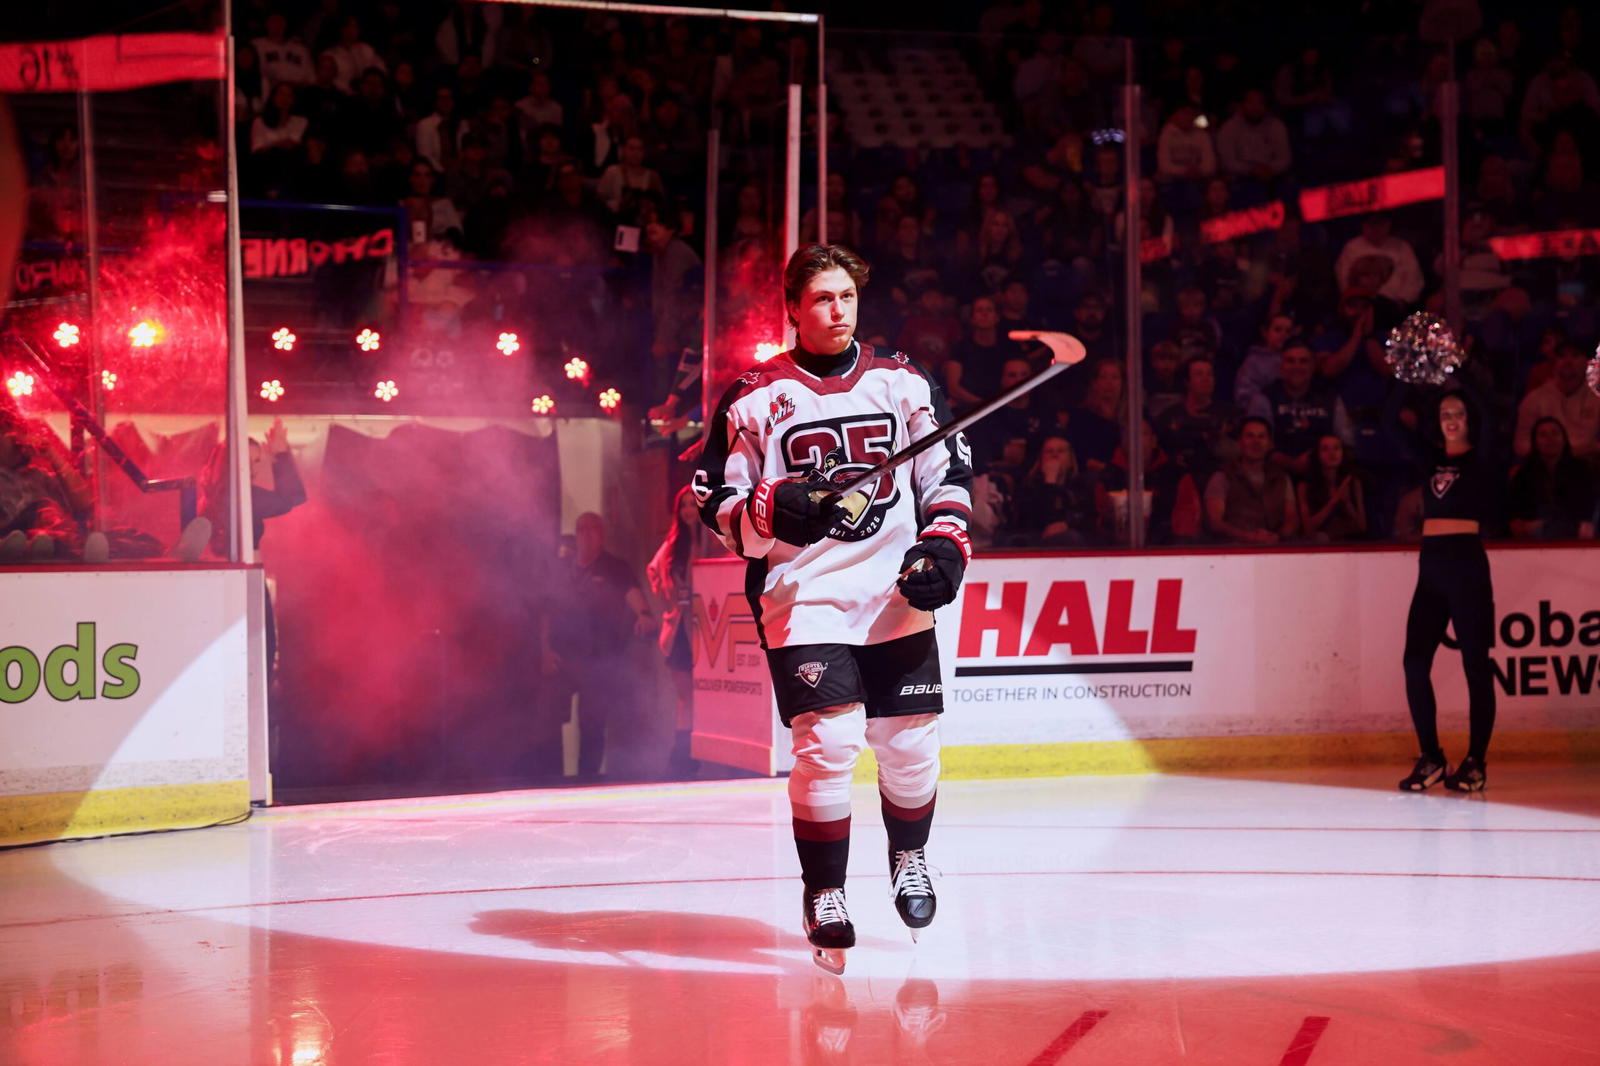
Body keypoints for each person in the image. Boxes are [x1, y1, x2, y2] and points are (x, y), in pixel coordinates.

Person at [693, 243, 974, 973]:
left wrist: (945, 547)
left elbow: (945, 472)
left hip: (893, 592)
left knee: (911, 744)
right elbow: (709, 498)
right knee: (829, 745)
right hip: (804, 597)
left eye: (847, 296)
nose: (837, 310)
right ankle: (825, 892)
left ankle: (909, 858)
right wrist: (767, 507)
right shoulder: (752, 396)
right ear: (791, 306)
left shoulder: (902, 381)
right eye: (821, 298)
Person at [1400, 394, 1499, 794]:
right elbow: (1392, 421)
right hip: (1432, 571)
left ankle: (1475, 761)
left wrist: (1460, 368)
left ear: (1469, 420)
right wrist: (1414, 377)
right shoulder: (1429, 460)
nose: (1451, 420)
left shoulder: (1481, 457)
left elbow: (1491, 413)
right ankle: (1431, 757)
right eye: (1445, 414)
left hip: (1467, 568)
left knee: (1476, 666)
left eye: (1459, 413)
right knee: (1413, 662)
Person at [545, 512, 655, 780]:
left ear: (602, 535)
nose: (587, 534)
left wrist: (644, 614)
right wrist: (544, 650)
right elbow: (544, 612)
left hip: (599, 658)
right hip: (561, 656)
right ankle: (549, 777)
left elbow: (633, 595)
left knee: (592, 724)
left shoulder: (614, 568)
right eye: (582, 529)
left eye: (593, 529)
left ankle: (587, 779)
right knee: (548, 718)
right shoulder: (562, 569)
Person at [647, 486, 703, 777]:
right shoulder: (673, 544)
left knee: (705, 693)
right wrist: (670, 602)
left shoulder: (713, 537)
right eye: (683, 506)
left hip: (709, 627)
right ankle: (682, 756)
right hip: (681, 627)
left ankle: (695, 754)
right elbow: (653, 571)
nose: (689, 510)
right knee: (687, 695)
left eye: (693, 504)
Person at [1204, 417, 1298, 544]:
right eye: (1250, 436)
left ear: (1270, 444)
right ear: (1239, 443)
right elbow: (1215, 523)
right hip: (1234, 552)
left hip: (1275, 550)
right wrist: (1249, 537)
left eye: (1261, 436)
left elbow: (1291, 519)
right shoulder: (1221, 477)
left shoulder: (1282, 478)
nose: (1256, 442)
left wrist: (1276, 537)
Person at [1507, 417, 1596, 539]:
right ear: (1535, 442)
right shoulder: (1525, 473)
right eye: (1543, 435)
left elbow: (1586, 505)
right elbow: (1517, 511)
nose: (1550, 439)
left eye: (1555, 433)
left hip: (1573, 528)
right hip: (1534, 531)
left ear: (1564, 438)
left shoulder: (1581, 469)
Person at [1297, 433, 1367, 541]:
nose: (1332, 453)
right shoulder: (1305, 486)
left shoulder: (1353, 482)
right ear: (1317, 455)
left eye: (1336, 448)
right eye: (1325, 449)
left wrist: (1347, 503)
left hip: (1349, 543)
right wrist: (1334, 500)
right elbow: (1308, 528)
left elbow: (1362, 526)